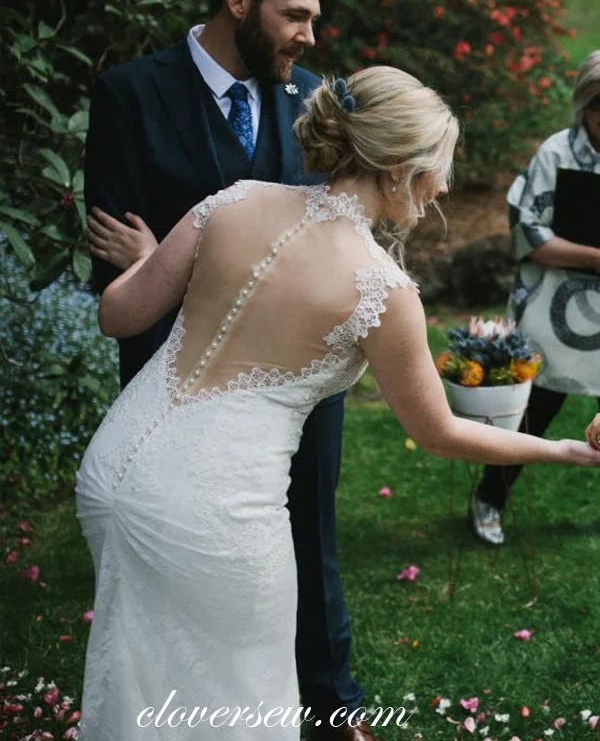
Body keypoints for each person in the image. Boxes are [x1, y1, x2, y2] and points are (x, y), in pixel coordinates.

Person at [78, 66, 600, 741]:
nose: (443, 186)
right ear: (398, 171)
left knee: (142, 672)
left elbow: (118, 316)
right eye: (439, 167)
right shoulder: (381, 288)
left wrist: (152, 261)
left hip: (115, 469)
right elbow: (438, 432)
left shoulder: (231, 200)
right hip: (214, 510)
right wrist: (566, 449)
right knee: (237, 699)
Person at [84, 0, 374, 738]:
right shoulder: (130, 95)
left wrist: (166, 264)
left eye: (315, 19)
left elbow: (336, 235)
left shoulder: (317, 100)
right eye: (296, 15)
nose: (310, 36)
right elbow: (114, 273)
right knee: (178, 544)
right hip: (177, 378)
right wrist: (152, 274)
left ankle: (331, 699)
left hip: (295, 372)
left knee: (311, 529)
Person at [470, 50, 600, 546]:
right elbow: (529, 233)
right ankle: (489, 498)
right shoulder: (556, 154)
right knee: (531, 414)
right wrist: (593, 256)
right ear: (584, 105)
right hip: (554, 311)